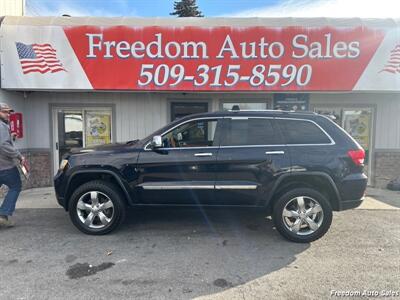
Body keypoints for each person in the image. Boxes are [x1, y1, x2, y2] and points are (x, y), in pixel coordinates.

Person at [0, 103, 25, 228]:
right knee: (15, 186)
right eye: (5, 112)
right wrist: (19, 155)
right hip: (5, 166)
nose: (8, 115)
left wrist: (11, 137)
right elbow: (3, 145)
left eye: (9, 112)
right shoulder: (2, 126)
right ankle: (3, 214)